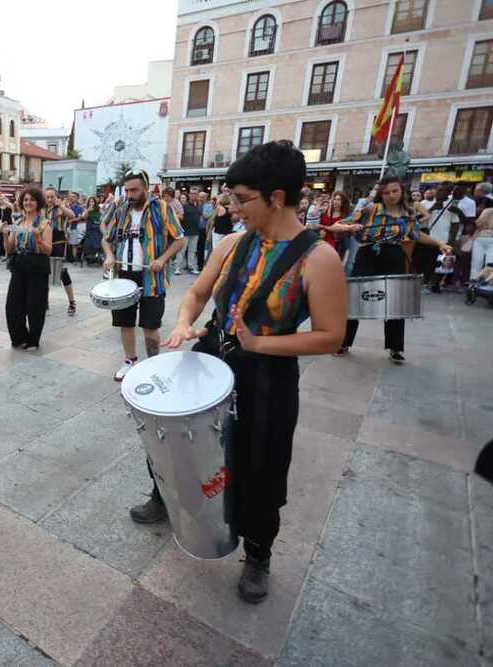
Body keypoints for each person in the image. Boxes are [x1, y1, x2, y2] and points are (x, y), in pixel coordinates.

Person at [162, 140, 347, 603]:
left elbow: (330, 336)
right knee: (185, 439)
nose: (232, 208)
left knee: (262, 466)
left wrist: (259, 342)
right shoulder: (230, 244)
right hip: (214, 356)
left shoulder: (319, 258)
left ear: (277, 197)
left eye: (242, 199)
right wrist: (185, 323)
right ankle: (167, 497)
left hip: (268, 375)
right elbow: (197, 294)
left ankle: (259, 553)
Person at [336, 177, 452, 363]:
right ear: (381, 194)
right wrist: (348, 227)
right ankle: (343, 342)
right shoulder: (370, 209)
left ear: (402, 191)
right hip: (367, 254)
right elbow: (341, 223)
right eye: (386, 192)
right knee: (355, 299)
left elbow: (416, 234)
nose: (391, 195)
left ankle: (395, 348)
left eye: (394, 191)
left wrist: (439, 243)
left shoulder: (408, 212)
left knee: (395, 302)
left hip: (394, 255)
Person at [102, 170, 185, 382]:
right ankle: (130, 361)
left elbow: (179, 240)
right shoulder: (121, 210)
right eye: (127, 190)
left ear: (145, 188)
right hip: (124, 277)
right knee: (125, 323)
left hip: (152, 278)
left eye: (134, 190)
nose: (130, 194)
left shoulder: (163, 208)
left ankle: (153, 364)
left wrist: (163, 259)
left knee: (150, 327)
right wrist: (110, 255)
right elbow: (107, 239)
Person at [5, 186, 52, 349]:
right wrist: (5, 234)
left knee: (35, 305)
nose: (28, 202)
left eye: (32, 199)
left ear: (38, 202)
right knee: (12, 305)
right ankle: (19, 337)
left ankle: (33, 340)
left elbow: (48, 250)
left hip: (38, 266)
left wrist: (38, 238)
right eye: (25, 199)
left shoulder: (45, 223)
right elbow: (10, 249)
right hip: (19, 265)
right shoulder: (17, 222)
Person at [44, 186, 77, 314]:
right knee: (44, 272)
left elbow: (72, 215)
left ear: (56, 197)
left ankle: (72, 302)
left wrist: (61, 206)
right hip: (46, 243)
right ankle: (44, 302)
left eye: (52, 197)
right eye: (48, 197)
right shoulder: (43, 210)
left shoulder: (61, 208)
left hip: (59, 242)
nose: (50, 199)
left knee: (62, 273)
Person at [175, 187, 202, 275]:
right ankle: (177, 268)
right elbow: (180, 218)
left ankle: (191, 267)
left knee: (192, 250)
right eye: (192, 193)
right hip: (185, 232)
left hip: (195, 231)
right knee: (181, 250)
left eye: (195, 193)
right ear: (189, 195)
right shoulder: (184, 206)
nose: (194, 195)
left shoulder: (198, 206)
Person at [472, 205, 493, 280]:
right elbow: (478, 224)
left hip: (480, 238)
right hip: (485, 239)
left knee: (476, 265)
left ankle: (473, 286)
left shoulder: (487, 210)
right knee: (489, 266)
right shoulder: (487, 210)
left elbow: (478, 224)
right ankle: (486, 287)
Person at [199, 190, 214, 269]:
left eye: (203, 197)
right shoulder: (196, 204)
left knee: (201, 247)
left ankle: (201, 265)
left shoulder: (209, 206)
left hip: (203, 228)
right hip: (195, 228)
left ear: (206, 197)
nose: (201, 198)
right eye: (200, 197)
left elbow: (210, 216)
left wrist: (203, 214)